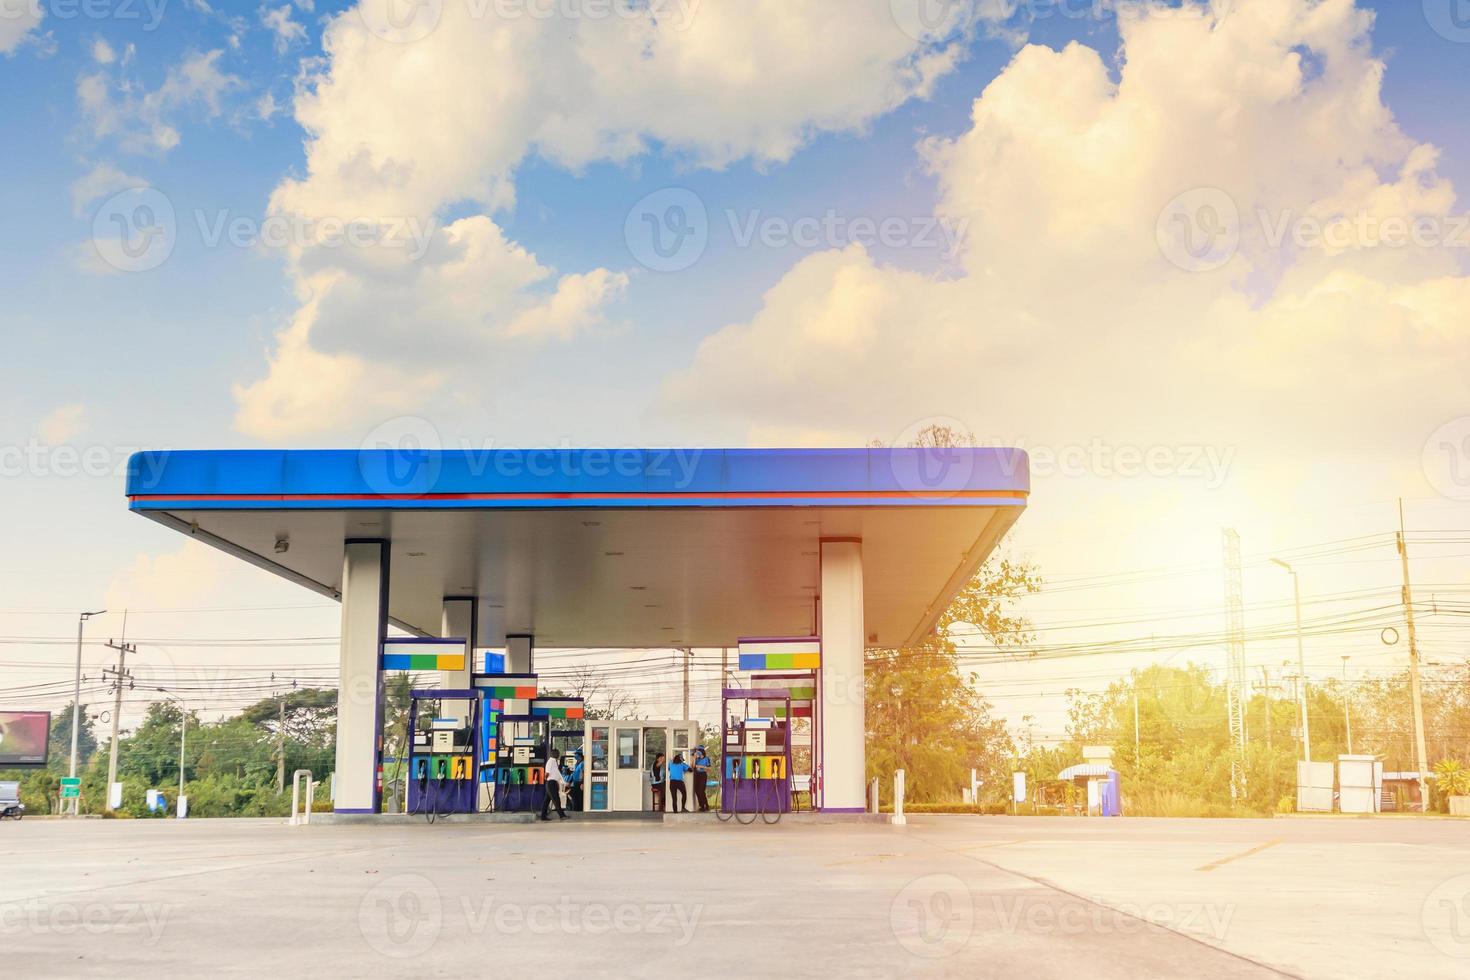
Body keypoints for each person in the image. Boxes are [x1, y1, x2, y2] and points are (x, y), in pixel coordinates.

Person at [540, 750, 569, 821]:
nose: (558, 754)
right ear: (552, 754)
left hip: (552, 782)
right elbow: (547, 773)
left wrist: (563, 782)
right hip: (551, 783)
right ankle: (561, 815)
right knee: (556, 799)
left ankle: (543, 816)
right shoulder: (551, 761)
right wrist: (548, 779)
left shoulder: (554, 762)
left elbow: (558, 773)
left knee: (546, 800)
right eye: (557, 753)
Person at [691, 746, 712, 812]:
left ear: (701, 751)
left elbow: (709, 769)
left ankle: (706, 805)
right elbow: (693, 766)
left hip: (703, 775)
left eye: (698, 751)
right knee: (697, 791)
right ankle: (702, 805)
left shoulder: (706, 759)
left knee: (701, 791)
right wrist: (694, 758)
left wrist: (701, 766)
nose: (697, 752)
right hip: (697, 775)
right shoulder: (697, 759)